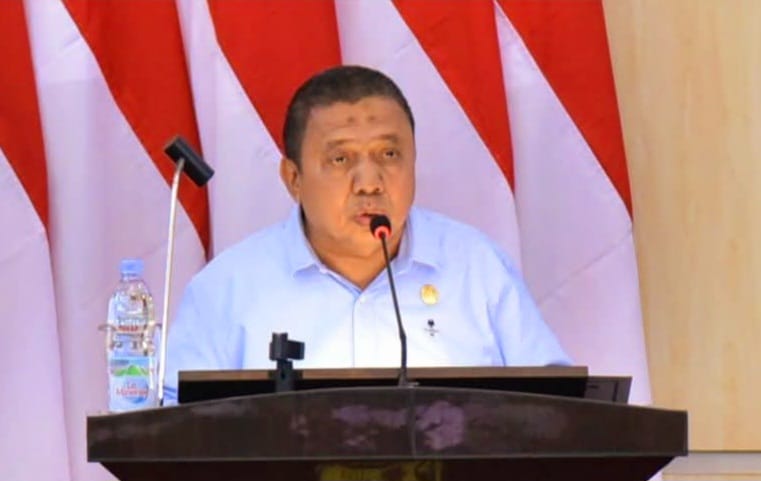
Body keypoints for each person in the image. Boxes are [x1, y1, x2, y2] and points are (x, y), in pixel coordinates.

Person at [162, 65, 570, 403]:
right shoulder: (227, 288)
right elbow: (169, 427)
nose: (369, 183)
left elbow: (558, 410)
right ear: (293, 179)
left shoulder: (478, 269)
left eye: (389, 155)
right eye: (341, 159)